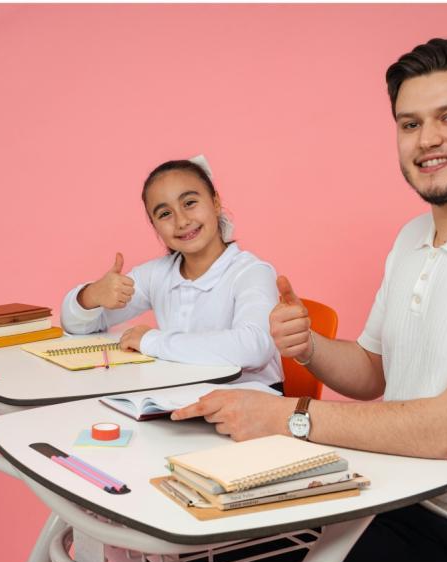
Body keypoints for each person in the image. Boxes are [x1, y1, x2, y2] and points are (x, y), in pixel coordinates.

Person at [172, 38, 447, 562]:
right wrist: (310, 348)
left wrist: (287, 417)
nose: (428, 139)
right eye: (410, 123)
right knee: (202, 542)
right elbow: (373, 371)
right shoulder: (412, 237)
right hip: (385, 490)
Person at [60, 156, 283, 388]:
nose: (182, 221)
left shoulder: (251, 272)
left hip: (253, 404)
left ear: (216, 202)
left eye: (189, 203)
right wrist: (91, 296)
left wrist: (152, 341)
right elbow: (75, 326)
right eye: (165, 214)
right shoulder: (156, 275)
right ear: (154, 225)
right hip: (184, 397)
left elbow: (254, 347)